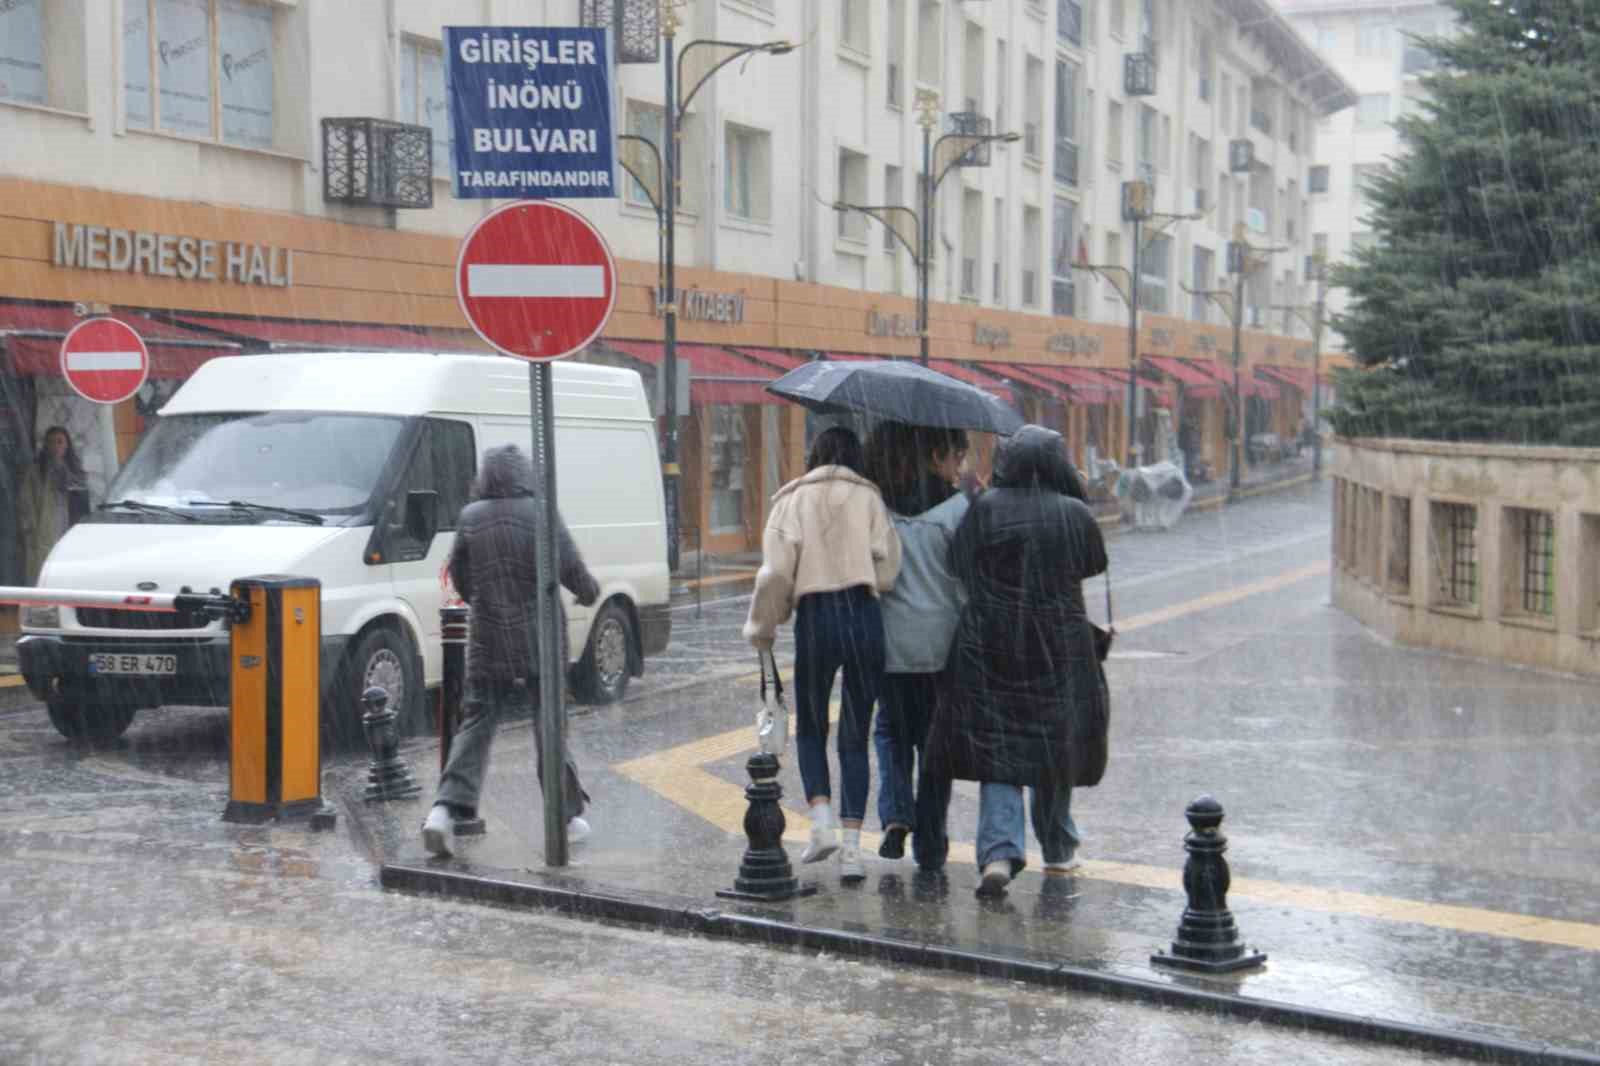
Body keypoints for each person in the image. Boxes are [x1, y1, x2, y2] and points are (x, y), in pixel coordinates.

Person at [926, 425, 1109, 898]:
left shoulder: (985, 507)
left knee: (999, 746)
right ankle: (1058, 845)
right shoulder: (1073, 512)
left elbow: (957, 564)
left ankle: (999, 853)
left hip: (993, 644)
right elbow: (1094, 563)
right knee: (1054, 745)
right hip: (1059, 646)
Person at [422, 444, 601, 858]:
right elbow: (572, 570)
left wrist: (489, 601)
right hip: (541, 637)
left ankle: (443, 811)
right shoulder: (542, 512)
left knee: (476, 725)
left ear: (487, 477)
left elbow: (462, 579)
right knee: (549, 724)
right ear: (525, 475)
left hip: (489, 638)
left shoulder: (470, 517)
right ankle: (567, 816)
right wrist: (589, 593)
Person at [745, 426, 901, 883]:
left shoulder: (792, 501)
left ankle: (822, 822)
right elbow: (888, 570)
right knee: (856, 731)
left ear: (814, 455)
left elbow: (774, 574)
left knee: (812, 725)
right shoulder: (869, 498)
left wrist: (762, 628)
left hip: (817, 617)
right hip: (863, 614)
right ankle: (853, 850)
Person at [864, 422, 970, 871]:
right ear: (938, 456)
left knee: (890, 731)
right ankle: (931, 840)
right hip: (941, 648)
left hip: (891, 644)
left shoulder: (882, 507)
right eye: (957, 457)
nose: (960, 466)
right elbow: (967, 582)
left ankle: (894, 815)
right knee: (935, 744)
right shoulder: (958, 510)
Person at [19, 426, 87, 584]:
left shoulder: (75, 471)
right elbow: (26, 502)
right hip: (44, 530)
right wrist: (30, 528)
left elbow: (82, 499)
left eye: (60, 442)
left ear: (67, 445)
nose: (56, 446)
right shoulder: (36, 472)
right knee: (43, 572)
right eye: (51, 442)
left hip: (70, 527)